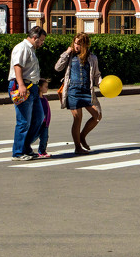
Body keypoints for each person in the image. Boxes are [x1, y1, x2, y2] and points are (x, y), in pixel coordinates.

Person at [55, 32, 103, 154]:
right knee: (77, 119)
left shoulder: (92, 58)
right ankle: (77, 147)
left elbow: (97, 75)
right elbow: (57, 67)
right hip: (73, 91)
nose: (76, 46)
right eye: (75, 43)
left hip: (87, 91)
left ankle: (82, 136)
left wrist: (102, 84)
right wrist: (66, 53)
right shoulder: (70, 56)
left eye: (80, 44)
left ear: (86, 45)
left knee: (97, 115)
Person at [8, 25, 46, 161]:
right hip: (22, 86)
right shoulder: (22, 47)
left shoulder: (30, 49)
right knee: (24, 121)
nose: (42, 43)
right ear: (35, 38)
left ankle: (26, 148)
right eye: (41, 40)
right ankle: (18, 153)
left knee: (38, 117)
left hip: (32, 87)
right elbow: (17, 66)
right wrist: (21, 85)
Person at [35, 78, 53, 159]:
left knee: (44, 137)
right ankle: (25, 149)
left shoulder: (44, 98)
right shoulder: (36, 99)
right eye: (45, 86)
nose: (47, 88)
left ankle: (42, 151)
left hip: (45, 122)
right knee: (33, 137)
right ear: (40, 87)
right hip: (38, 122)